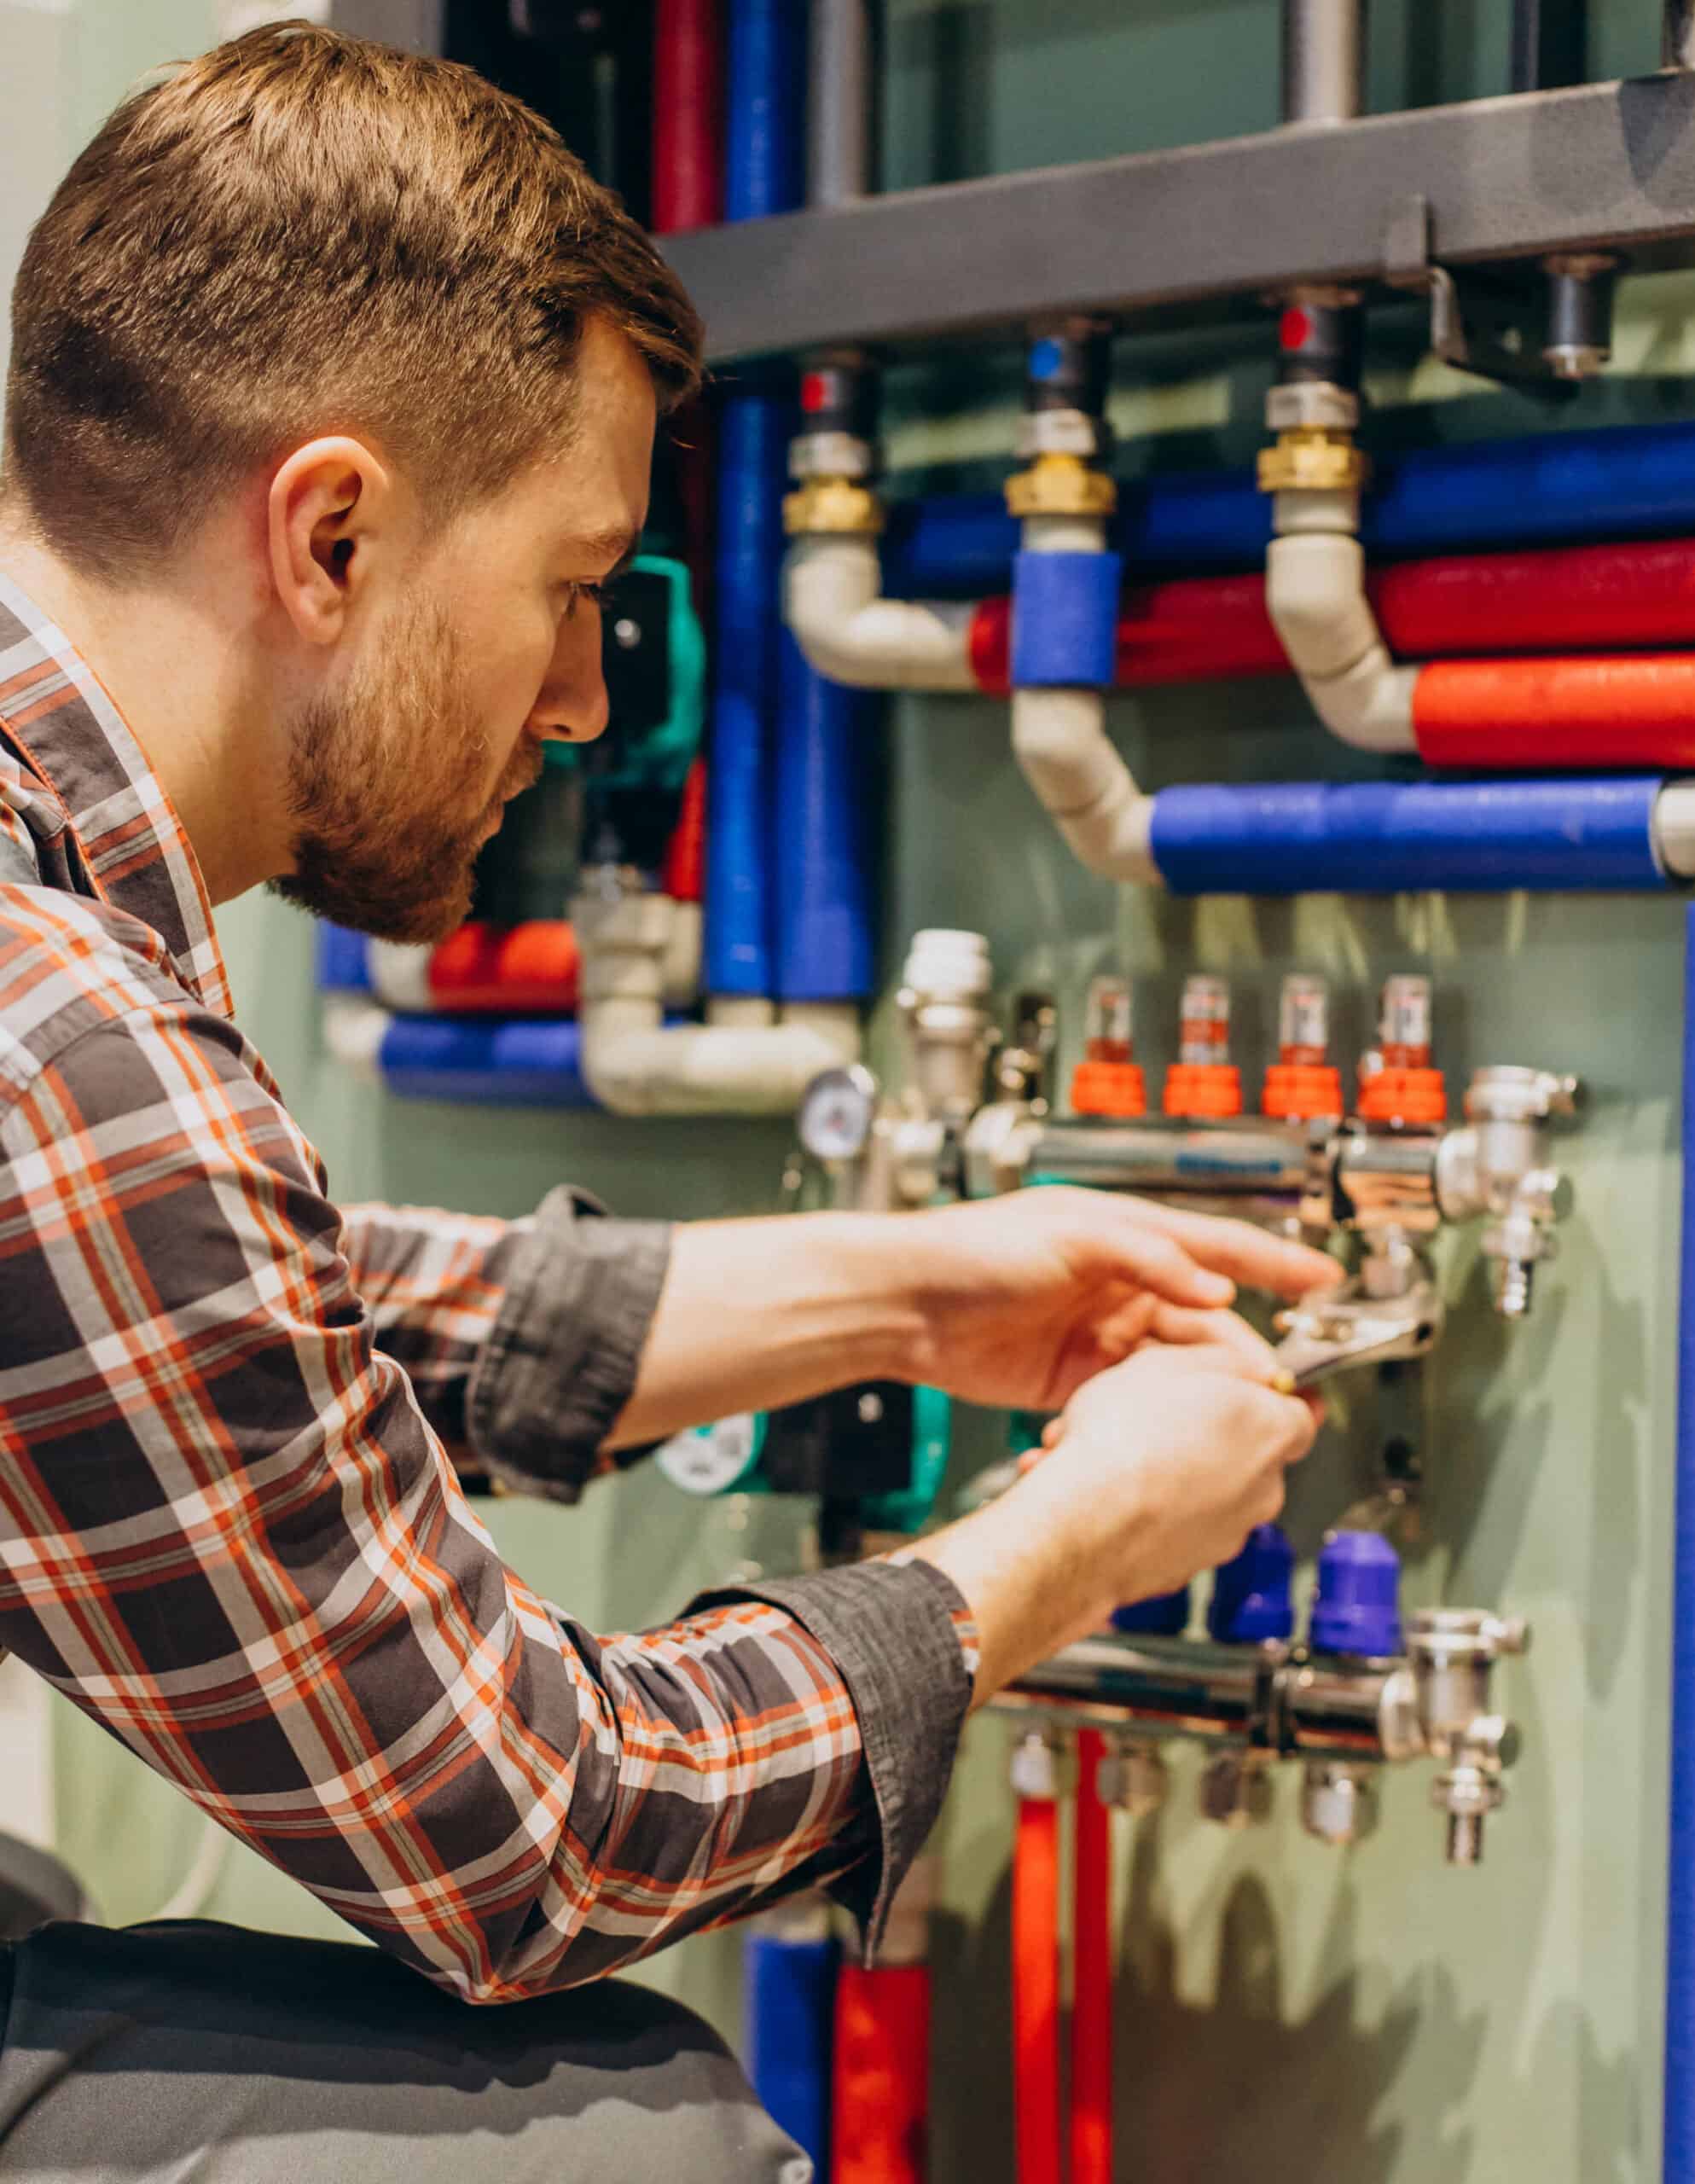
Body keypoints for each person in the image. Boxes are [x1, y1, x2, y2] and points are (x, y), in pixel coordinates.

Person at [0, 25, 1326, 2180]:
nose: (592, 695)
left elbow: (239, 1331)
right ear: (328, 534)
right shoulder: (61, 1035)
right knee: (624, 2138)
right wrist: (1066, 1539)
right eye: (575, 583)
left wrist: (904, 1286)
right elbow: (535, 1836)